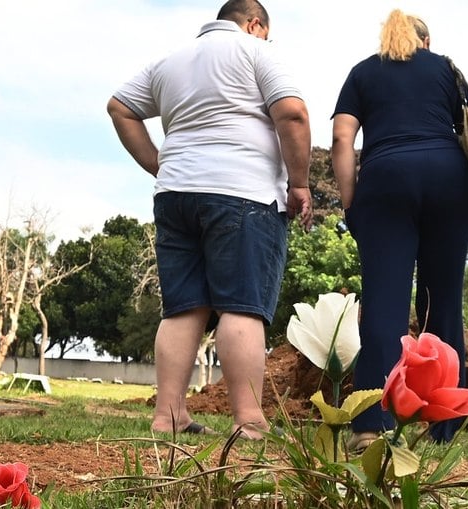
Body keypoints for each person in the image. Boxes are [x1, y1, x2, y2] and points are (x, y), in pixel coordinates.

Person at [106, 0, 312, 440]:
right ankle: (249, 421)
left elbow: (119, 108)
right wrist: (299, 184)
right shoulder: (258, 52)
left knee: (184, 307)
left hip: (176, 196)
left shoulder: (169, 62)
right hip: (243, 193)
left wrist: (158, 164)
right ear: (255, 25)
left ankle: (169, 416)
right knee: (242, 306)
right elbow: (292, 112)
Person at [331, 9, 468, 449]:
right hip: (450, 181)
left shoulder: (362, 72)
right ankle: (445, 425)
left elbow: (343, 138)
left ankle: (369, 426)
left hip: (386, 179)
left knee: (384, 302)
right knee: (442, 300)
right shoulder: (445, 69)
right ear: (426, 41)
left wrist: (350, 203)